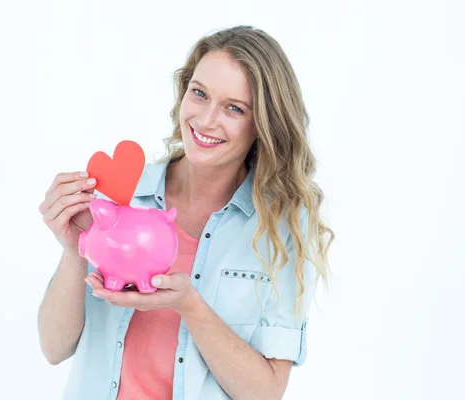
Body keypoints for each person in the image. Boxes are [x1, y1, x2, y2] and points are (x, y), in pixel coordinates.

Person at [37, 25, 334, 400]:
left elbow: (265, 393)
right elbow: (53, 348)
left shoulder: (282, 229)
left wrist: (187, 304)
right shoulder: (122, 197)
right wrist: (72, 250)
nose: (206, 120)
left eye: (233, 108)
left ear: (264, 124)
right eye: (199, 93)